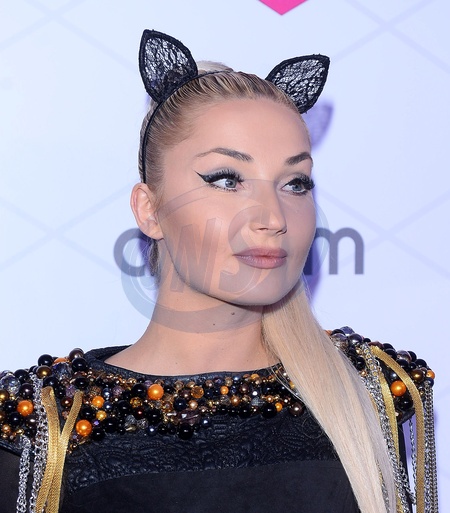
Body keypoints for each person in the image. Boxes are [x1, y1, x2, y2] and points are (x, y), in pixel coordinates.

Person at [0, 30, 438, 513]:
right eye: (227, 179)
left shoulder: (370, 392)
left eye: (295, 183)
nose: (272, 217)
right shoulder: (49, 421)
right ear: (149, 210)